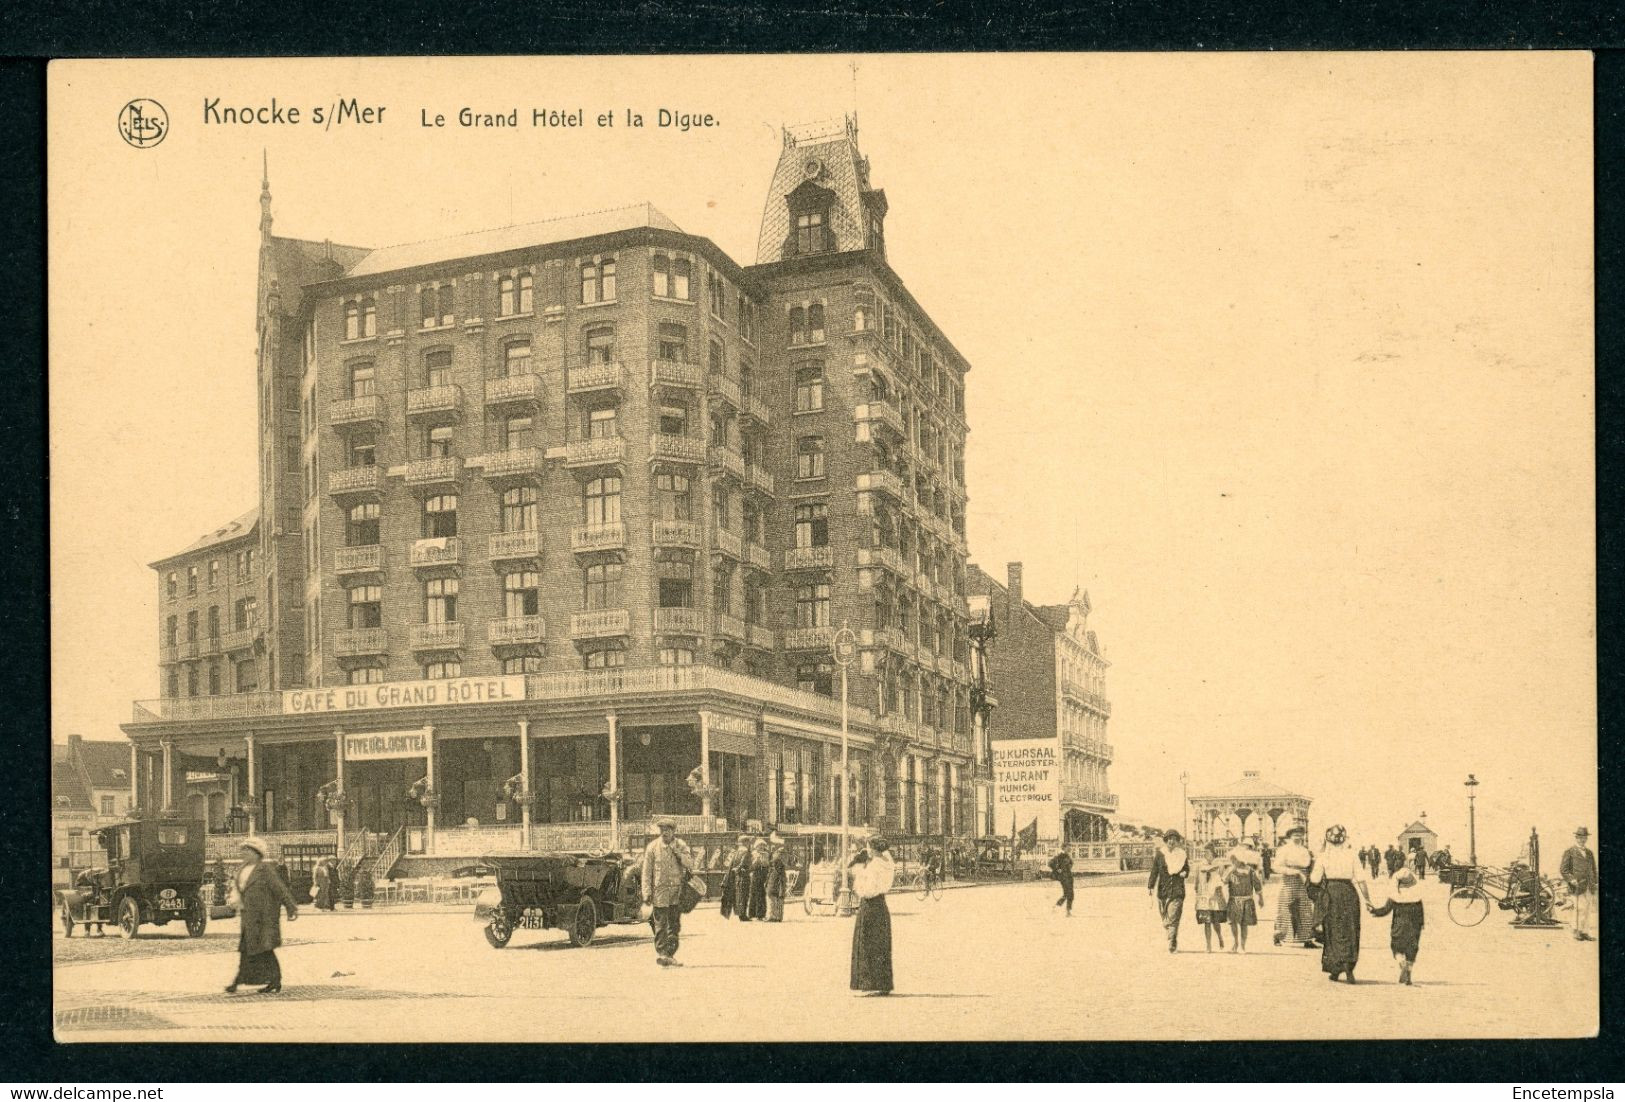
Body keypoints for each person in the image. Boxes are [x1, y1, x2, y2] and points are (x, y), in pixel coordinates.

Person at [225, 838, 298, 995]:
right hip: (249, 916)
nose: (244, 853)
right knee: (247, 949)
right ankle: (239, 981)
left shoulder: (264, 869)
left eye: (247, 850)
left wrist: (291, 907)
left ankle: (273, 980)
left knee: (264, 949)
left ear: (256, 853)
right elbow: (239, 890)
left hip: (264, 916)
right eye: (243, 850)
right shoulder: (243, 868)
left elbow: (280, 888)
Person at [1308, 824, 1367, 983]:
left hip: (1331, 894)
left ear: (1327, 840)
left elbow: (1314, 879)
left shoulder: (1323, 856)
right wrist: (1367, 900)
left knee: (1333, 931)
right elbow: (1361, 879)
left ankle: (1335, 968)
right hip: (1349, 893)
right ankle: (1349, 968)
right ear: (1344, 839)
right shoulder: (1352, 854)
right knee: (1350, 929)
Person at [640, 818, 694, 967]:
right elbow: (646, 872)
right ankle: (663, 953)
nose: (664, 833)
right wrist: (646, 892)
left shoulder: (681, 845)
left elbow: (690, 864)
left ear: (673, 831)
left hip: (676, 893)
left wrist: (679, 854)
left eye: (667, 830)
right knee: (660, 926)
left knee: (674, 926)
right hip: (659, 892)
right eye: (662, 830)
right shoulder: (652, 847)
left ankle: (670, 954)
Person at [1367, 848, 1426, 985]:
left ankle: (1401, 963)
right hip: (1414, 927)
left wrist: (1373, 910)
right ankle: (1409, 973)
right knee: (1412, 949)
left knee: (1396, 947)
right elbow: (1421, 912)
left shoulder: (1396, 896)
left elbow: (1385, 909)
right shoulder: (1416, 897)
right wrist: (1421, 924)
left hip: (1399, 926)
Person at [850, 837, 895, 995]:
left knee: (867, 944)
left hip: (870, 905)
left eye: (869, 847)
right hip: (881, 905)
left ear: (874, 849)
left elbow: (868, 889)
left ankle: (869, 984)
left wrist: (860, 876)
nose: (867, 850)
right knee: (881, 945)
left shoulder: (874, 865)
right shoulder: (888, 862)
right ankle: (883, 984)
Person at [1146, 830, 1190, 953]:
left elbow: (1187, 868)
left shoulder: (1182, 854)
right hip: (1163, 891)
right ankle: (1170, 930)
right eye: (1169, 839)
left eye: (1174, 839)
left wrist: (1185, 873)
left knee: (1174, 916)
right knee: (1165, 918)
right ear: (1166, 840)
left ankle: (1172, 941)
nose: (1171, 841)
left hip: (1177, 890)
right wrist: (1150, 885)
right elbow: (1154, 871)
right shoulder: (1160, 854)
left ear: (1177, 841)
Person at [1273, 825, 1316, 948]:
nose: (1298, 836)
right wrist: (1293, 872)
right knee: (1285, 907)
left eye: (1300, 834)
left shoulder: (1304, 850)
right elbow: (1276, 867)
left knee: (1305, 908)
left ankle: (1307, 938)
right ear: (1290, 836)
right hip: (1289, 880)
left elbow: (1309, 865)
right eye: (1295, 834)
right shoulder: (1283, 850)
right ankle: (1278, 936)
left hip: (1303, 881)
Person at [1560, 827, 1597, 942]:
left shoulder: (1589, 853)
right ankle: (1576, 932)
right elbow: (1563, 870)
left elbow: (1593, 869)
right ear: (1576, 838)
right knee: (1579, 909)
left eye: (1584, 837)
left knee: (1587, 909)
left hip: (1589, 886)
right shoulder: (1569, 852)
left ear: (1586, 838)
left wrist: (1595, 882)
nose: (1582, 839)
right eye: (1580, 837)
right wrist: (1571, 880)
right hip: (1577, 885)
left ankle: (1585, 932)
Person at [1225, 851, 1264, 953]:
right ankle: (1235, 943)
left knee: (1244, 924)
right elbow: (1224, 881)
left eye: (1235, 859)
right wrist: (1230, 871)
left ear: (1240, 859)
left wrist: (1261, 898)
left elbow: (1257, 885)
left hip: (1247, 900)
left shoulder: (1250, 871)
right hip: (1234, 899)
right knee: (1232, 923)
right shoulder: (1230, 870)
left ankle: (1242, 945)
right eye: (1232, 859)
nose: (1233, 861)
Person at [1193, 842, 1228, 952]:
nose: (1205, 854)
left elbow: (1223, 879)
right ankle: (1208, 945)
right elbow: (1196, 880)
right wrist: (1197, 893)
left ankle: (1220, 937)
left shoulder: (1219, 864)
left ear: (1212, 852)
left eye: (1207, 852)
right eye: (1203, 852)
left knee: (1215, 922)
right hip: (1204, 896)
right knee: (1206, 922)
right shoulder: (1200, 864)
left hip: (1215, 897)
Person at [764, 840, 788, 922]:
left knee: (772, 898)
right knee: (779, 899)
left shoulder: (776, 861)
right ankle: (778, 916)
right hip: (779, 883)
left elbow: (771, 871)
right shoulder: (780, 861)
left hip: (774, 882)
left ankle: (772, 916)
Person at [747, 838, 771, 920]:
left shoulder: (767, 854)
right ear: (756, 846)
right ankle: (752, 914)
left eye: (763, 845)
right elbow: (750, 867)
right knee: (754, 895)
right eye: (760, 845)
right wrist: (756, 861)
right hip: (755, 875)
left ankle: (760, 914)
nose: (761, 847)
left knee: (761, 895)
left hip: (764, 875)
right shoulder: (753, 854)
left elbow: (768, 865)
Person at [1049, 849, 1075, 916]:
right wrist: (1058, 870)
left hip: (1069, 877)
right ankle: (1062, 909)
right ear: (1064, 848)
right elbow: (1050, 863)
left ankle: (1065, 910)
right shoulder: (1060, 856)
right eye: (1068, 847)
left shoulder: (1067, 856)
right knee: (1068, 893)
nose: (1069, 849)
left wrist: (1069, 867)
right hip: (1064, 878)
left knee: (1070, 894)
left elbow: (1071, 863)